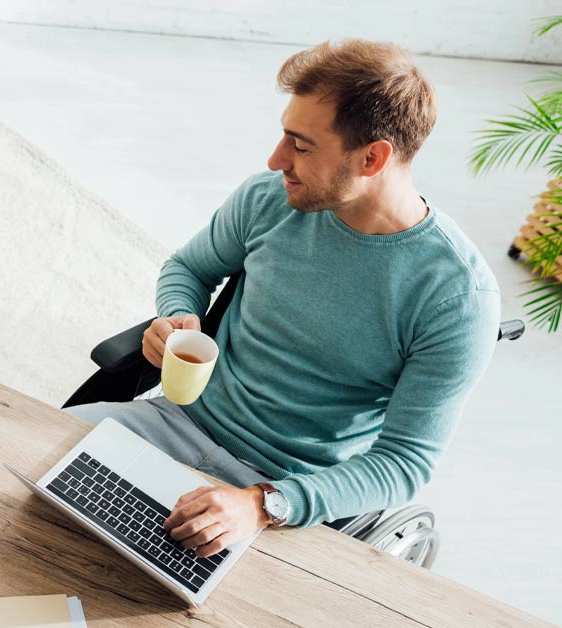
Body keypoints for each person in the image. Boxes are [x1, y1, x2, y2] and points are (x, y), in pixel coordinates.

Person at [67, 39, 500, 559]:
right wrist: (179, 314)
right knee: (21, 469)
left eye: (301, 144)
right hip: (176, 424)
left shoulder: (456, 297)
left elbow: (405, 461)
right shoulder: (269, 199)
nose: (277, 160)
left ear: (373, 157)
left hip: (288, 497)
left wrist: (262, 504)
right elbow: (189, 267)